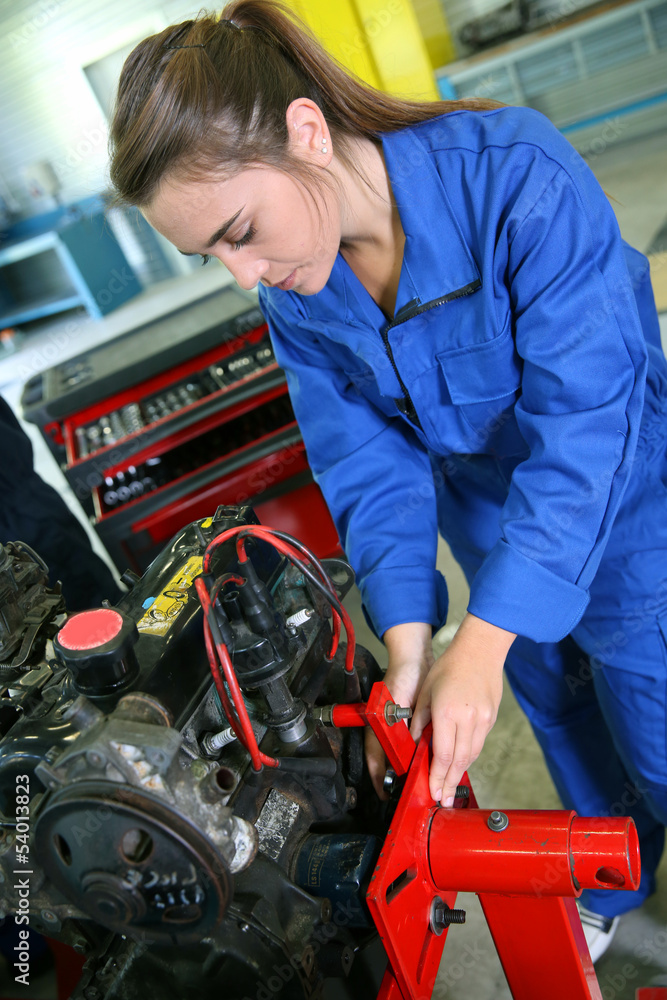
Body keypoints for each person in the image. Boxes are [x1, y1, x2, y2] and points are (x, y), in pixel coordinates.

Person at [109, 0, 667, 961]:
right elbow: (365, 459)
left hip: (623, 507)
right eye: (212, 256)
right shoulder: (300, 280)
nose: (243, 277)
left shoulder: (513, 177)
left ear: (306, 132)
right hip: (488, 520)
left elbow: (587, 423)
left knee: (650, 717)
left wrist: (482, 638)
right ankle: (617, 871)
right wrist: (411, 641)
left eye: (241, 231)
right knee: (560, 710)